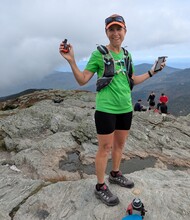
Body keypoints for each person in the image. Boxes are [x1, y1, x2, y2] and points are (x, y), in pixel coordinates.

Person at [59, 14, 166, 206]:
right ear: (106, 32)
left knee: (120, 145)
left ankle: (115, 174)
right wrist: (71, 61)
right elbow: (83, 79)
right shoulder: (98, 54)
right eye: (112, 29)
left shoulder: (126, 55)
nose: (115, 33)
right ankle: (100, 186)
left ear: (125, 31)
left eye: (119, 29)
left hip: (125, 107)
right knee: (105, 148)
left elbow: (131, 80)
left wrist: (152, 72)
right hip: (106, 109)